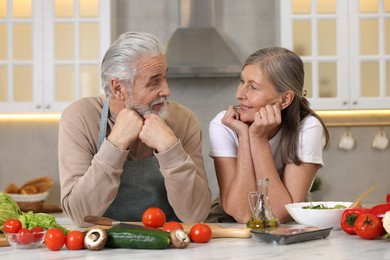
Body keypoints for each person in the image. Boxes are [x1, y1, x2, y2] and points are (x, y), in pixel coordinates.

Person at [58, 32, 211, 227]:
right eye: (154, 81)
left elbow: (196, 215)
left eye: (165, 78)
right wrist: (116, 144)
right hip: (103, 245)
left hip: (171, 243)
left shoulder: (184, 120)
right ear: (118, 88)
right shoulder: (80, 117)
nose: (166, 90)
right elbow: (80, 215)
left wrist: (170, 148)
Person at [206, 47, 329, 224]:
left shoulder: (307, 128)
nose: (239, 94)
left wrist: (258, 139)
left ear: (285, 99)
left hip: (285, 225)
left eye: (253, 87)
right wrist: (244, 135)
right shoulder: (224, 125)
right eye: (242, 81)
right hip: (227, 222)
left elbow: (282, 214)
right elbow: (241, 214)